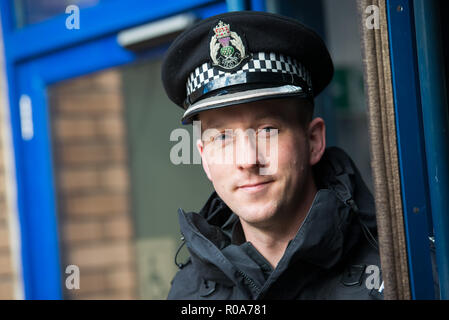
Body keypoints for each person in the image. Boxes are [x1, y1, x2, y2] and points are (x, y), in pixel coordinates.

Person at [161, 11, 382, 300]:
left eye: (267, 130)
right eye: (223, 137)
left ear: (313, 141)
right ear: (204, 158)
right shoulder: (188, 294)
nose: (247, 159)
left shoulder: (398, 269)